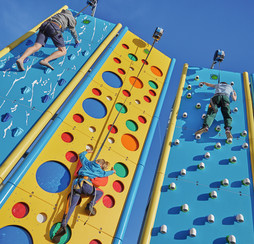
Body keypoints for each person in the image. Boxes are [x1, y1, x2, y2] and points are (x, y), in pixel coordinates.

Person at [52, 149, 115, 243]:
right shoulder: (100, 171)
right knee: (99, 193)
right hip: (87, 186)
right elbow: (106, 173)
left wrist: (87, 151)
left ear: (96, 161)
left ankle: (63, 226)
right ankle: (90, 205)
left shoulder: (87, 163)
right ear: (101, 165)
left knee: (71, 207)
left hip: (76, 185)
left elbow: (81, 155)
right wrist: (113, 171)